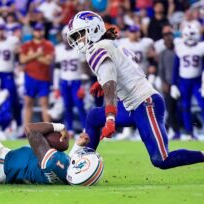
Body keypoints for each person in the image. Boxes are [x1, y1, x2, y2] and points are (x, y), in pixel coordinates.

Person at [67, 11, 204, 170]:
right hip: (132, 105)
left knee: (161, 159)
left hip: (146, 103)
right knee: (94, 117)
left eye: (80, 34)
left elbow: (110, 84)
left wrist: (110, 118)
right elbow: (130, 61)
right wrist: (103, 78)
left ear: (93, 29)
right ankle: (83, 166)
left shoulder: (97, 48)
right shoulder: (110, 43)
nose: (78, 40)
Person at [170, 24, 204, 140]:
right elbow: (175, 67)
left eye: (192, 34)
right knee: (185, 106)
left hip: (197, 81)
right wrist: (173, 84)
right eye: (187, 34)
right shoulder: (180, 47)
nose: (189, 37)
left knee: (202, 104)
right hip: (183, 81)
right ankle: (190, 132)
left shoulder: (201, 47)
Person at [54, 27, 87, 136]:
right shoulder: (58, 49)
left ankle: (85, 129)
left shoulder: (79, 49)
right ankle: (70, 130)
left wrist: (83, 86)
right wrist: (56, 87)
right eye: (66, 36)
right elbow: (57, 69)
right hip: (64, 81)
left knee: (79, 105)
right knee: (67, 106)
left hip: (76, 81)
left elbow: (83, 68)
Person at [20, 23, 54, 125]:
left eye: (40, 30)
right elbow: (22, 59)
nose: (38, 32)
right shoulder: (27, 44)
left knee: (44, 104)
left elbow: (48, 61)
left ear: (43, 31)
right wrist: (39, 54)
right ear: (33, 31)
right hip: (30, 77)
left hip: (44, 78)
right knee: (28, 103)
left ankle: (48, 130)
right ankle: (26, 130)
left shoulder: (48, 44)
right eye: (36, 30)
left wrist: (33, 55)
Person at [157, 28, 180, 139]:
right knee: (170, 109)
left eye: (170, 40)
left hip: (180, 83)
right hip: (169, 84)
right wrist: (164, 83)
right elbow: (160, 69)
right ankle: (175, 131)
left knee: (181, 107)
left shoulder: (179, 51)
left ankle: (182, 129)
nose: (168, 42)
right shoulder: (162, 54)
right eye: (166, 41)